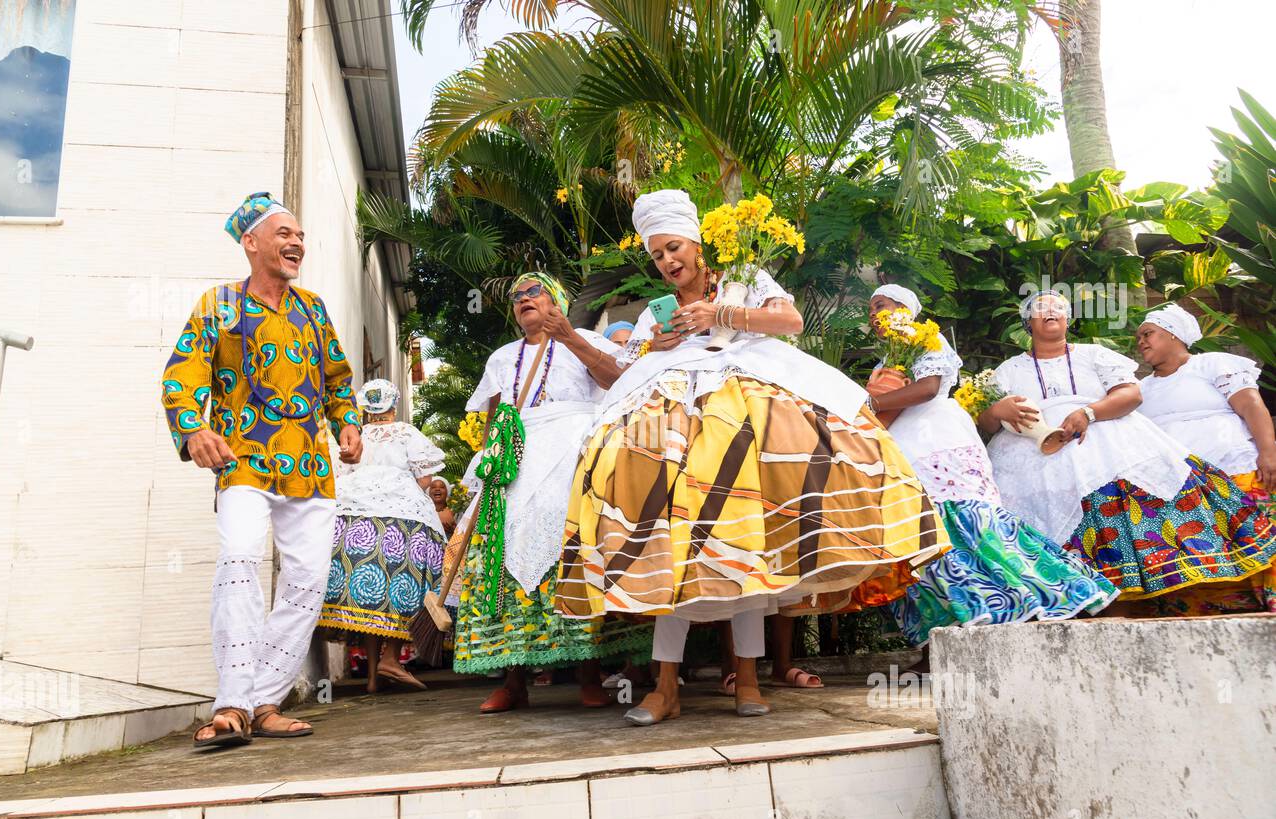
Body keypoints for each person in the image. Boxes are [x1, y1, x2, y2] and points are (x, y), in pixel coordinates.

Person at [557, 189, 947, 726]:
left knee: (745, 544)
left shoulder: (744, 276)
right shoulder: (655, 313)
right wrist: (661, 345)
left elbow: (790, 324)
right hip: (674, 422)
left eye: (674, 249)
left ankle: (746, 678)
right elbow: (623, 370)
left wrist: (721, 312)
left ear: (697, 245)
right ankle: (665, 686)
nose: (668, 262)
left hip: (751, 409)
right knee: (674, 542)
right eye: (657, 256)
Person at [162, 191, 362, 748]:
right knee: (240, 560)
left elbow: (339, 382)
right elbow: (182, 376)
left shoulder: (313, 309)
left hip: (309, 466)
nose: (297, 242)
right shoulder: (217, 304)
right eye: (284, 234)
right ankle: (230, 702)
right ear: (251, 243)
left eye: (300, 235)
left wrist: (347, 423)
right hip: (243, 458)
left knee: (307, 581)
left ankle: (264, 700)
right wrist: (193, 428)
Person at [978, 291, 1276, 610]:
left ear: (1068, 320)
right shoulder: (1008, 370)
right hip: (1030, 460)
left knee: (1132, 508)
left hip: (1104, 448)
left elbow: (1130, 394)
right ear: (1028, 322)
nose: (1050, 312)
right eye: (1040, 309)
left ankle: (1149, 596)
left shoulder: (1094, 355)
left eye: (1058, 308)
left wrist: (1088, 413)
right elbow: (985, 422)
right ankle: (1065, 599)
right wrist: (997, 412)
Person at [862, 285, 1117, 655]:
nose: (874, 314)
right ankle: (947, 639)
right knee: (920, 535)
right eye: (871, 309)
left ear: (905, 309)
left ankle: (1044, 597)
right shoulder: (887, 357)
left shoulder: (923, 338)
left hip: (937, 438)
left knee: (967, 525)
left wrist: (867, 402)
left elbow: (930, 387)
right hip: (902, 444)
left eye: (880, 305)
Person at [452, 272, 653, 713]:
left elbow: (616, 381)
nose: (523, 299)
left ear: (556, 299)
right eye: (516, 296)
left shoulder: (583, 338)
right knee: (502, 554)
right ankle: (513, 680)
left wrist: (570, 338)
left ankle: (588, 674)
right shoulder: (503, 358)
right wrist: (487, 462)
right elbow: (493, 420)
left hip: (572, 454)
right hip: (516, 460)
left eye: (533, 291)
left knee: (572, 549)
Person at [1136, 303, 1276, 613]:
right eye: (1139, 338)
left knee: (1261, 541)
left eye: (1148, 334)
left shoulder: (1211, 364)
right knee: (1202, 556)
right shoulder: (1140, 390)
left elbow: (1252, 406)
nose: (1141, 342)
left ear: (1173, 334)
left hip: (1233, 469)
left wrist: (1269, 453)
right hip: (1180, 487)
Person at [317, 379, 446, 692]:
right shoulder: (404, 432)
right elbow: (425, 477)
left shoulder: (354, 436)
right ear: (394, 405)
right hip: (402, 518)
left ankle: (374, 678)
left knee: (371, 595)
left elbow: (340, 472)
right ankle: (391, 658)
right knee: (399, 585)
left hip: (354, 518)